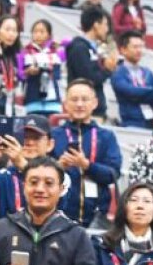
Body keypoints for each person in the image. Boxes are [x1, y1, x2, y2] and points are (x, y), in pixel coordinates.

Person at [51, 80, 121, 228]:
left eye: (85, 99)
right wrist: (58, 167)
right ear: (65, 103)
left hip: (98, 216)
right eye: (74, 99)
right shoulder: (53, 136)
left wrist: (87, 165)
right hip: (57, 214)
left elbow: (113, 174)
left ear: (95, 103)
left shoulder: (106, 136)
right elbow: (39, 171)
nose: (79, 104)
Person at [0, 113, 54, 217]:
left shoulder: (59, 175)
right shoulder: (4, 175)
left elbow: (59, 207)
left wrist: (23, 166)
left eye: (36, 138)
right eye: (24, 137)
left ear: (49, 144)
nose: (29, 142)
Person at [65, 5, 117, 121]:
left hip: (96, 110)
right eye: (105, 24)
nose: (107, 29)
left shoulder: (93, 49)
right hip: (83, 111)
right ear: (96, 25)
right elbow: (89, 78)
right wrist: (108, 70)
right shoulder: (79, 48)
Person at [111, 30, 153, 129]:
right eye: (135, 47)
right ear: (123, 50)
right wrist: (150, 91)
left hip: (152, 121)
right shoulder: (118, 73)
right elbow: (131, 92)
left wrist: (144, 93)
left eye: (141, 46)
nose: (139, 50)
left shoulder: (147, 72)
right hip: (131, 122)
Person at [18, 19, 64, 115]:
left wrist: (57, 43)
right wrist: (28, 72)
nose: (38, 35)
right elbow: (19, 75)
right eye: (35, 32)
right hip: (32, 99)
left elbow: (69, 42)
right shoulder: (24, 52)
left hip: (53, 100)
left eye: (42, 32)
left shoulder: (57, 52)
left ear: (49, 34)